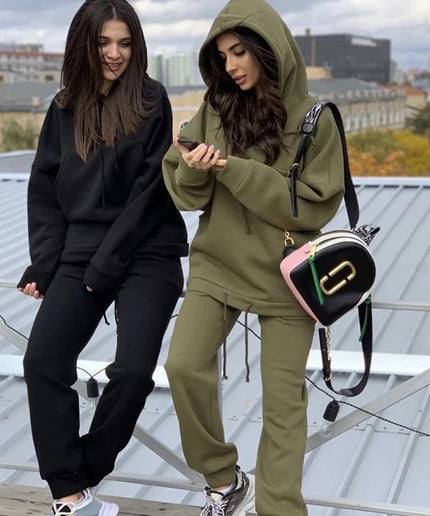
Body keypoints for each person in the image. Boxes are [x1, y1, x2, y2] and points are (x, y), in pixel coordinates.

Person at [162, 0, 346, 514]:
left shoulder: (316, 118)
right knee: (182, 366)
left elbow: (314, 206)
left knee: (283, 407)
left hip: (288, 278)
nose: (231, 66)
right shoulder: (216, 107)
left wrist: (235, 170)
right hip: (216, 264)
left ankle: (279, 509)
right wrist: (195, 168)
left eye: (240, 52)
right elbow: (185, 194)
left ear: (270, 48)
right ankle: (224, 478)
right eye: (222, 56)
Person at [16, 1, 188, 515]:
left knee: (132, 372)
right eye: (104, 43)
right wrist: (44, 262)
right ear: (83, 45)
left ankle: (84, 470)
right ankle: (71, 497)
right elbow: (45, 188)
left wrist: (105, 266)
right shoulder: (64, 106)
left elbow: (150, 192)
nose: (115, 54)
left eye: (125, 43)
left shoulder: (152, 100)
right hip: (80, 255)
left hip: (148, 250)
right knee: (42, 362)